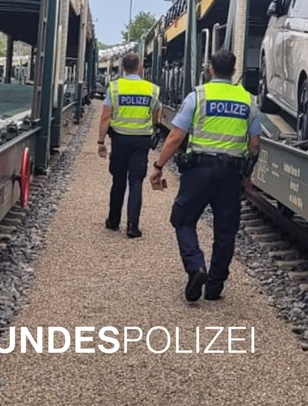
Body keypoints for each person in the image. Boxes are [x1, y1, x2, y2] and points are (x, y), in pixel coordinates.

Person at [148, 50, 261, 302]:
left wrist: (158, 165)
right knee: (226, 230)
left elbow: (176, 136)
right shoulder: (248, 100)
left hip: (199, 171)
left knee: (183, 220)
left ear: (210, 69)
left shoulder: (198, 96)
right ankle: (214, 286)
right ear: (233, 71)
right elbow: (254, 144)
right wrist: (246, 174)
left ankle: (196, 266)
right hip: (231, 173)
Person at [97, 52, 161, 238]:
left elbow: (105, 117)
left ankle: (113, 221)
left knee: (118, 180)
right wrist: (153, 127)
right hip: (142, 140)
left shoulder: (115, 88)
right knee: (136, 182)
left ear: (123, 68)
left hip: (120, 140)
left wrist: (101, 142)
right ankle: (133, 226)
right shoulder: (152, 89)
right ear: (140, 67)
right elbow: (157, 114)